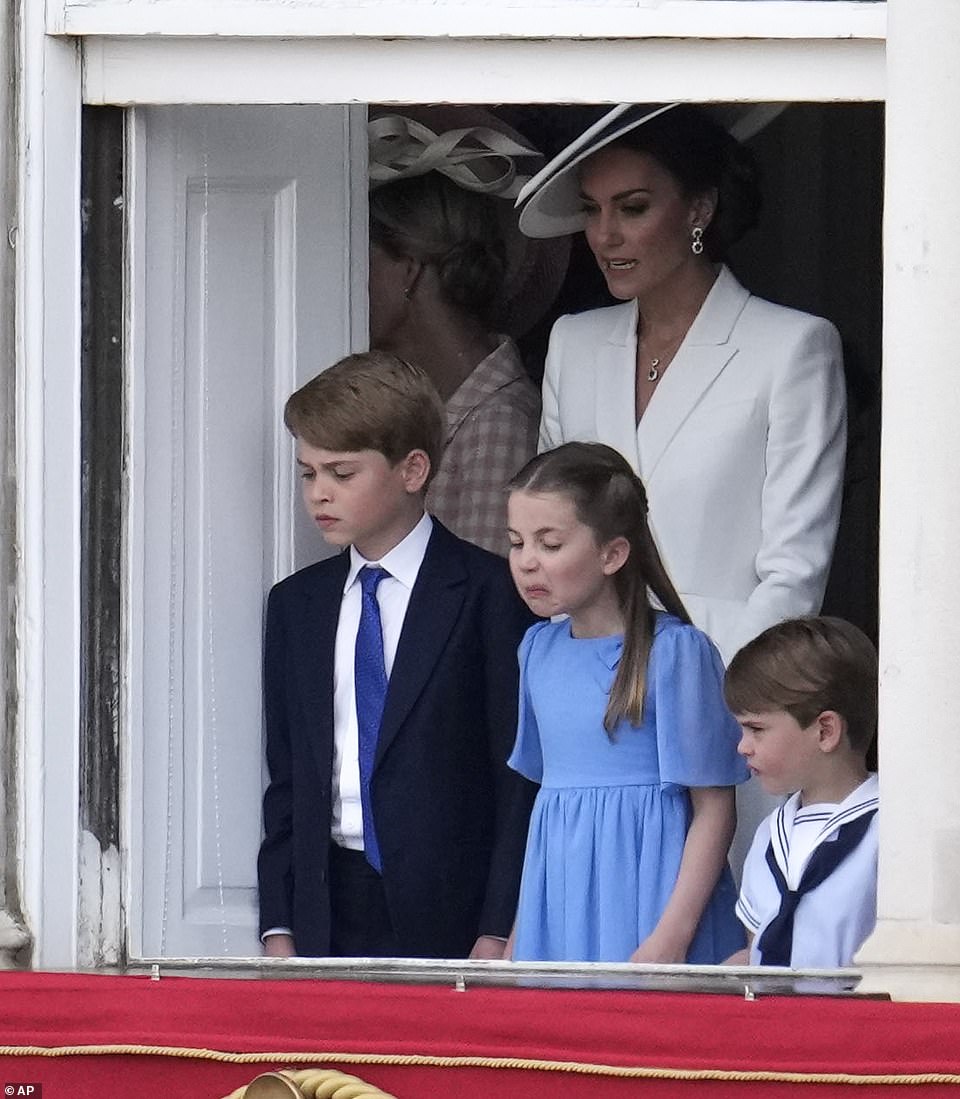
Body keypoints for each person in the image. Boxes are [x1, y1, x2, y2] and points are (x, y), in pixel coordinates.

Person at [517, 103, 847, 667]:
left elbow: (794, 574)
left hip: (725, 683)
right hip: (585, 679)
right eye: (591, 210)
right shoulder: (574, 343)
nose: (604, 235)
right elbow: (546, 527)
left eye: (633, 208)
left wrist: (714, 690)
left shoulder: (791, 346)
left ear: (700, 208)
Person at [257, 350, 536, 959]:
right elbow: (289, 776)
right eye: (308, 474)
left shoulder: (488, 593)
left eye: (342, 473)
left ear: (413, 470)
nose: (319, 495)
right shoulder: (295, 606)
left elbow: (514, 777)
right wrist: (279, 923)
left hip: (451, 906)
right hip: (327, 902)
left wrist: (498, 925)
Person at [504, 441, 747, 964]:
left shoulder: (676, 653)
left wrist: (672, 936)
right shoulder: (535, 651)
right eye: (517, 542)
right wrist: (522, 936)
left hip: (652, 902)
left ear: (613, 553)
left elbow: (715, 808)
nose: (527, 563)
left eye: (549, 544)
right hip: (561, 907)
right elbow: (548, 810)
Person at [368, 111, 564, 555]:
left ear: (408, 270)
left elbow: (481, 608)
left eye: (364, 260)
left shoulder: (499, 425)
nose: (347, 279)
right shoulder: (442, 410)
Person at [724, 616, 878, 969]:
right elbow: (756, 948)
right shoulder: (769, 836)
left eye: (756, 729)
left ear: (825, 730)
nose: (742, 747)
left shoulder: (887, 833)